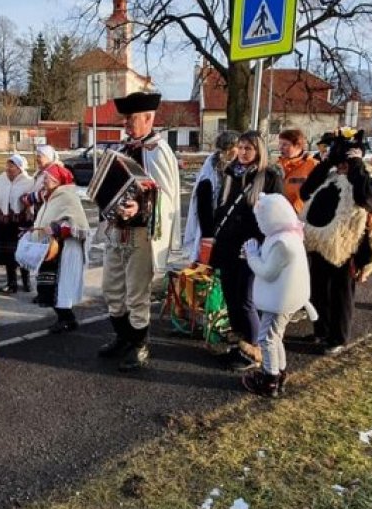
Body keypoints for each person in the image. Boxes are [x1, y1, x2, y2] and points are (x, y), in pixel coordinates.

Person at [97, 92, 180, 371]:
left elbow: (167, 197)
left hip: (142, 235)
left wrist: (140, 207)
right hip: (116, 232)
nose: (126, 124)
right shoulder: (122, 149)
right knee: (111, 290)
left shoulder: (159, 151)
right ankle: (123, 338)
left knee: (136, 294)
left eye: (131, 119)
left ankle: (139, 345)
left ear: (148, 118)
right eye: (125, 119)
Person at [300, 129, 372, 353]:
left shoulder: (370, 177)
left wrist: (356, 165)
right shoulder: (330, 176)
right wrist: (326, 162)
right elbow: (305, 191)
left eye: (344, 161)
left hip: (346, 247)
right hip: (319, 242)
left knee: (340, 294)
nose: (342, 166)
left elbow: (365, 199)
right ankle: (321, 331)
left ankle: (337, 338)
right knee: (318, 290)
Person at [209, 131, 283, 371]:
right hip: (228, 247)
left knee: (246, 300)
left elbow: (274, 216)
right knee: (231, 298)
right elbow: (222, 208)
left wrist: (258, 244)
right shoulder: (231, 173)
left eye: (248, 149)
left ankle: (254, 349)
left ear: (258, 151)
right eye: (240, 148)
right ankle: (240, 343)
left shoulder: (268, 177)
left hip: (250, 248)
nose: (242, 152)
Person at [240, 194, 316, 397]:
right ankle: (279, 371)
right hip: (284, 298)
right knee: (276, 336)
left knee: (266, 338)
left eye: (261, 219)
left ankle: (269, 379)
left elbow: (267, 271)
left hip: (280, 301)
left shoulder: (283, 242)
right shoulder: (287, 234)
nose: (259, 223)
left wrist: (252, 255)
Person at [31, 164, 92, 333]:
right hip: (51, 249)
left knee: (60, 287)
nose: (44, 180)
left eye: (47, 178)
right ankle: (64, 318)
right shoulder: (50, 197)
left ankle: (67, 319)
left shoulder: (67, 197)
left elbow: (78, 225)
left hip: (64, 250)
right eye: (44, 177)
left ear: (57, 181)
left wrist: (58, 229)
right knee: (48, 287)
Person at [182, 131, 238, 262]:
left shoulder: (236, 166)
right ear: (229, 148)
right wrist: (207, 234)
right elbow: (204, 203)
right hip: (213, 226)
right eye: (238, 147)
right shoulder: (211, 172)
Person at [0, 154, 35, 294]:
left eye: (12, 166)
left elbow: (32, 201)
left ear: (20, 167)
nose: (9, 168)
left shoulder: (28, 182)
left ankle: (26, 282)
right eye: (8, 165)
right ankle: (12, 283)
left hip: (20, 221)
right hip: (4, 221)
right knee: (8, 254)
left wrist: (28, 208)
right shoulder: (2, 179)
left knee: (22, 252)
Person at [275, 128, 319, 213]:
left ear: (298, 146)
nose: (280, 148)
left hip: (302, 216)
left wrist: (296, 209)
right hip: (279, 216)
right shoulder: (276, 166)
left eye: (285, 144)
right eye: (280, 144)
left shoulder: (314, 166)